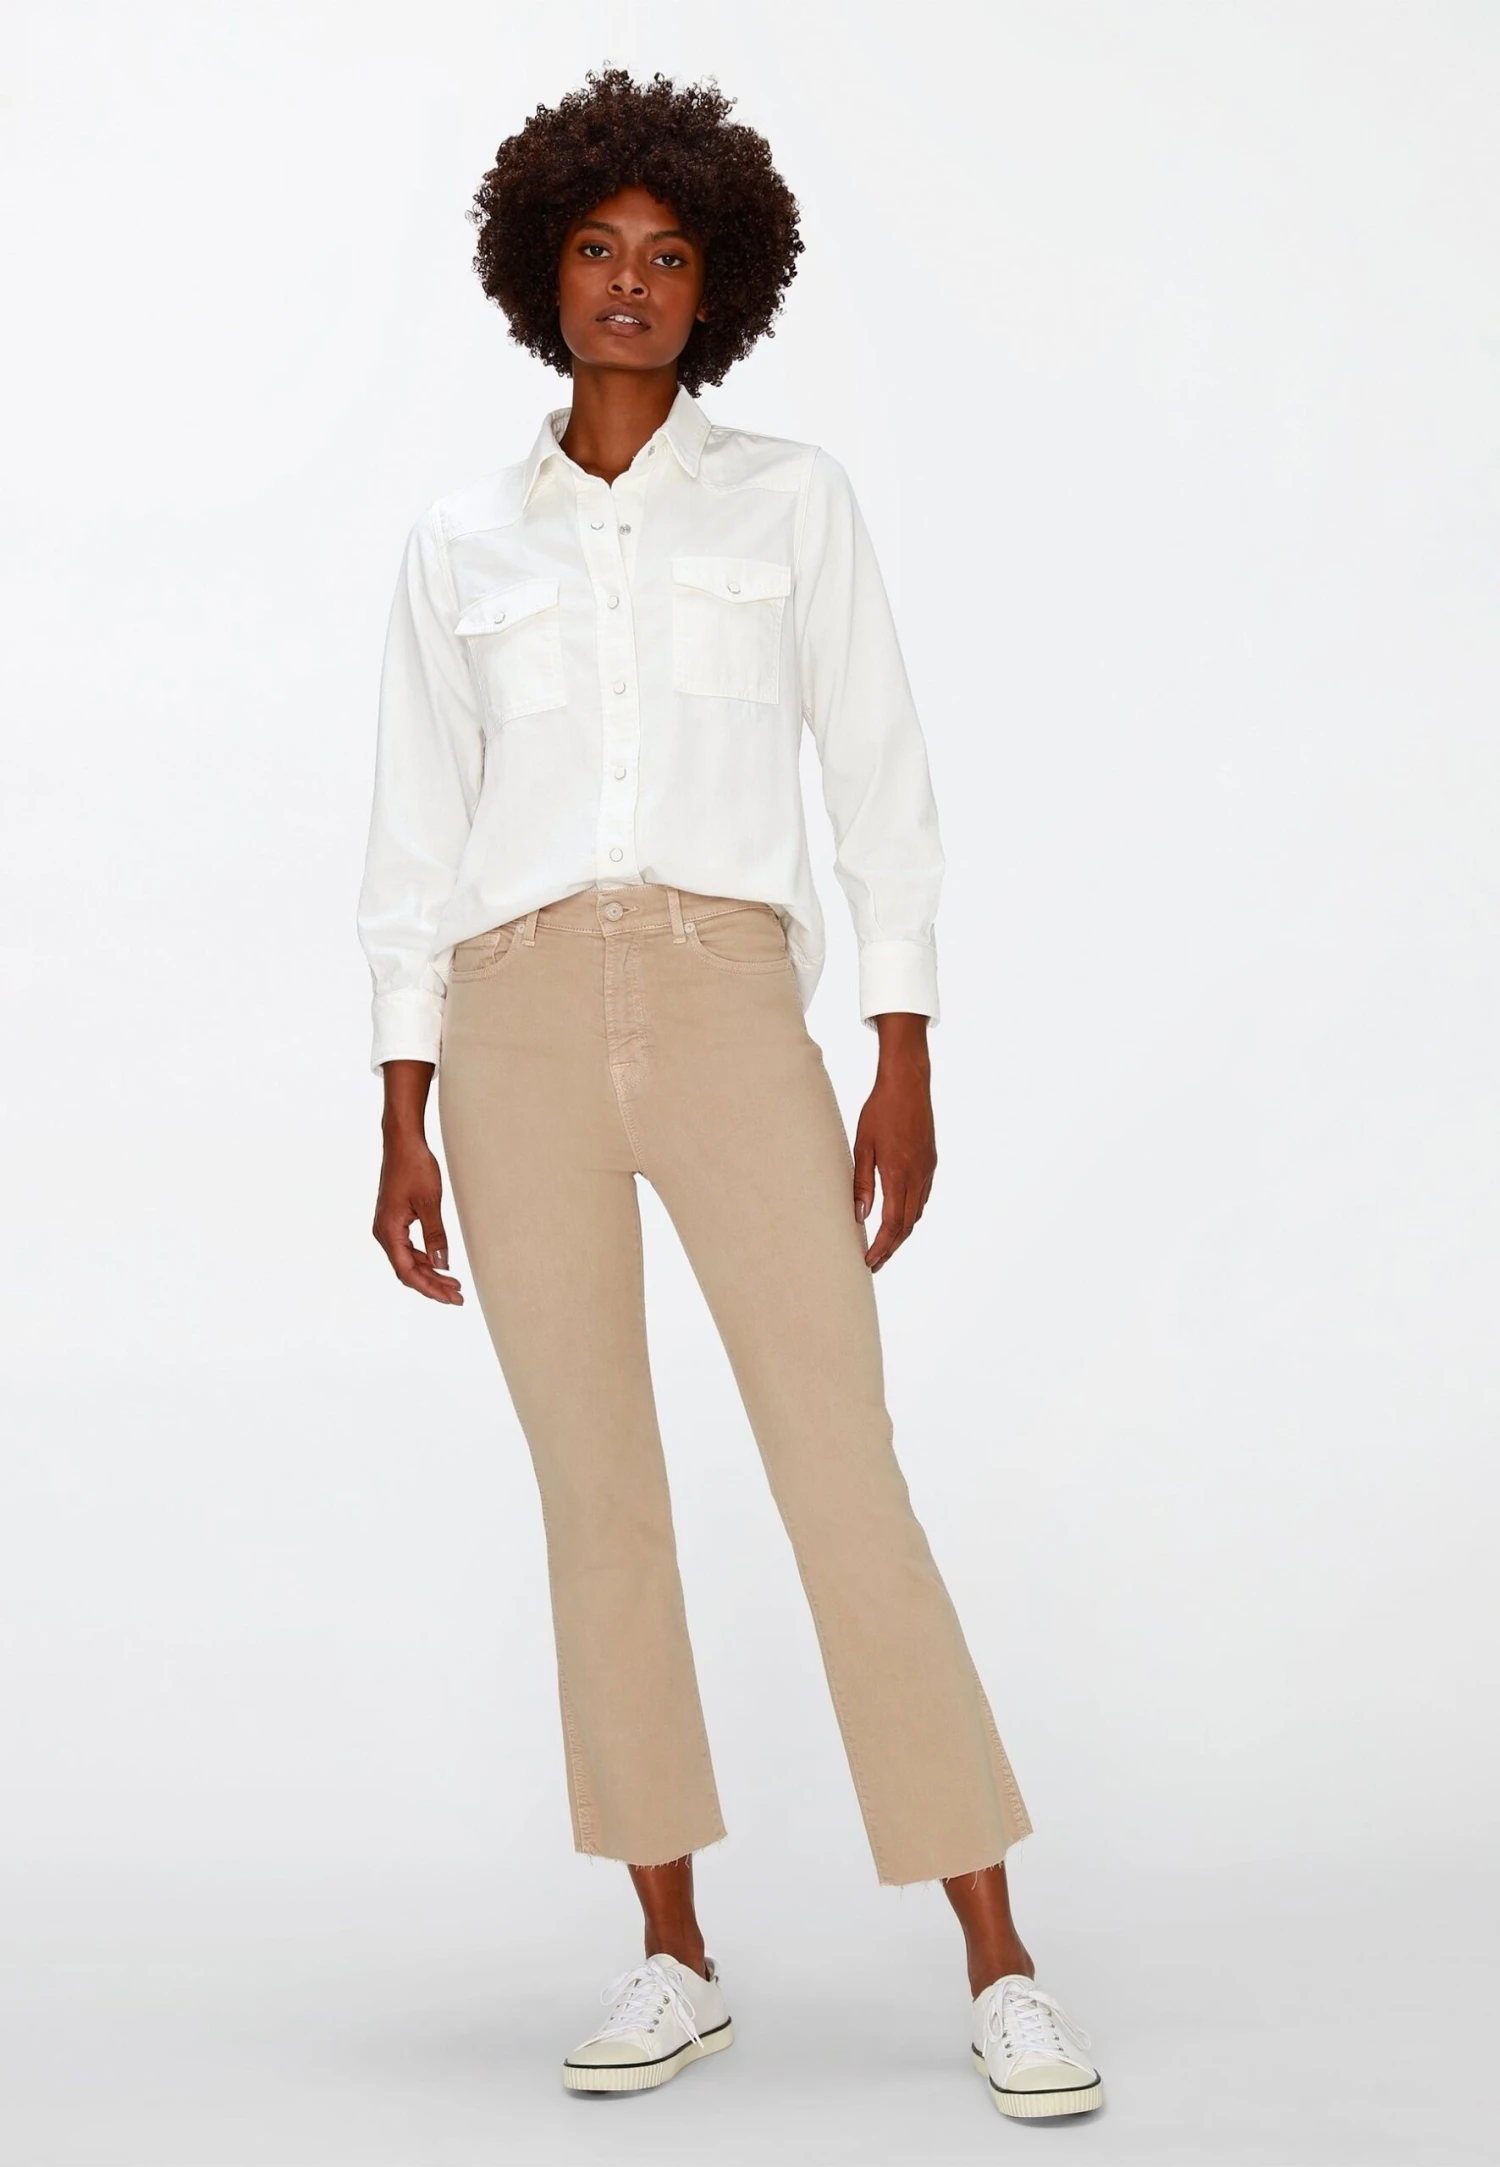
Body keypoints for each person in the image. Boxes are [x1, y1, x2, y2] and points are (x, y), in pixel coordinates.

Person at [356, 67, 1101, 2121]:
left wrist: (903, 1049)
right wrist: (403, 1097)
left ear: (720, 284)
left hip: (724, 994)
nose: (631, 282)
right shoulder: (458, 546)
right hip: (509, 1020)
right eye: (598, 249)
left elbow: (882, 782)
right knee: (596, 1490)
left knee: (840, 1465)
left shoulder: (791, 504)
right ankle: (673, 1952)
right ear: (541, 271)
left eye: (669, 254)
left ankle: (1001, 1954)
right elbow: (414, 836)